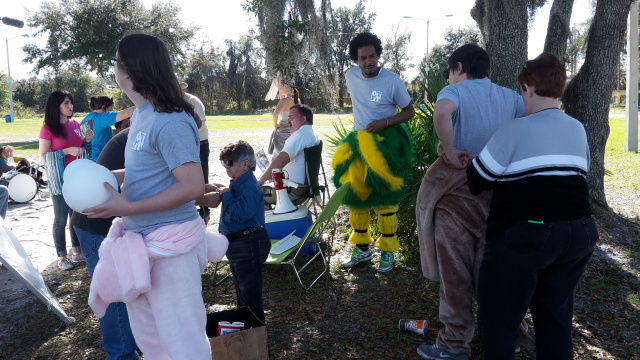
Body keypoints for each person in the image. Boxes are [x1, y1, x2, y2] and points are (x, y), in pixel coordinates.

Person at [84, 32, 224, 359]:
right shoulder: (143, 113)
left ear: (128, 71)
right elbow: (144, 173)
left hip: (171, 250)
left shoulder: (170, 119)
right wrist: (102, 178)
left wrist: (127, 205)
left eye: (115, 62)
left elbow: (191, 186)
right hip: (139, 247)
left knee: (184, 344)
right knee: (153, 345)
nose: (114, 70)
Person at [467, 53, 596, 360]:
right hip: (579, 233)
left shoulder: (514, 129)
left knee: (499, 322)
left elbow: (477, 179)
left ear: (527, 86)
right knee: (555, 319)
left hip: (527, 235)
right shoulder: (577, 128)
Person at [415, 44, 530, 359]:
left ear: (458, 67)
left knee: (456, 272)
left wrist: (450, 151)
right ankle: (511, 336)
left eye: (448, 72)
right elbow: (533, 124)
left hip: (458, 195)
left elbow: (442, 112)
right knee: (494, 272)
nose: (448, 79)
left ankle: (454, 344)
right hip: (501, 195)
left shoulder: (456, 92)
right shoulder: (510, 97)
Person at [332, 32, 415, 273]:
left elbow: (409, 111)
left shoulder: (392, 81)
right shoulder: (350, 75)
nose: (368, 61)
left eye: (372, 56)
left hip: (387, 142)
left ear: (378, 55)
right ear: (355, 60)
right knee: (356, 193)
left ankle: (388, 252)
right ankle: (362, 249)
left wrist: (385, 122)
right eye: (362, 57)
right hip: (360, 141)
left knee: (386, 197)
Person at [70, 128, 138, 360]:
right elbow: (144, 176)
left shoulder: (143, 130)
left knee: (126, 290)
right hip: (97, 226)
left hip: (104, 223)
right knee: (113, 296)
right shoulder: (145, 134)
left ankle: (129, 346)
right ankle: (121, 355)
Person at [202, 141, 271, 323]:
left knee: (250, 297)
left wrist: (226, 195)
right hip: (241, 244)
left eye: (230, 163)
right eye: (224, 163)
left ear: (245, 164)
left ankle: (255, 334)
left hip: (248, 243)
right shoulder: (239, 183)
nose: (226, 167)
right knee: (243, 293)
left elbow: (241, 213)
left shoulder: (248, 185)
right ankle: (248, 333)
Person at [38, 90, 93, 271]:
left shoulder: (76, 124)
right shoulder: (47, 128)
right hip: (60, 180)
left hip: (77, 178)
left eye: (71, 103)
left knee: (76, 215)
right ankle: (62, 256)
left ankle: (77, 252)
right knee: (60, 218)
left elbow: (84, 149)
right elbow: (43, 157)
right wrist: (65, 151)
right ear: (56, 106)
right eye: (66, 103)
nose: (70, 106)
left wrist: (87, 141)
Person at [258, 104, 319, 204]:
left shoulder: (300, 135)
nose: (288, 121)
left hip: (292, 191)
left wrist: (260, 181)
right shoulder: (312, 134)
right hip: (306, 189)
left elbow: (282, 158)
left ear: (303, 119)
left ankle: (269, 219)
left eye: (291, 117)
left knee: (252, 193)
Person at [180, 81, 211, 225]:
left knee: (201, 177)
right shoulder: (169, 102)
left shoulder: (192, 101)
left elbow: (200, 123)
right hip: (184, 143)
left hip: (199, 143)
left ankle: (205, 211)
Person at [79, 96, 135, 161]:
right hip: (97, 159)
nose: (110, 113)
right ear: (103, 107)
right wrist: (144, 106)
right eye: (110, 110)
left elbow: (97, 133)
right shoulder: (102, 117)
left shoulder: (85, 119)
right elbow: (126, 113)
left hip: (84, 159)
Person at [267, 73, 300, 158]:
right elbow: (281, 95)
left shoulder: (284, 101)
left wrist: (275, 125)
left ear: (286, 87)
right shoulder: (296, 100)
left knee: (278, 156)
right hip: (293, 130)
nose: (279, 88)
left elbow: (275, 115)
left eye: (280, 86)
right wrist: (279, 77)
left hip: (284, 131)